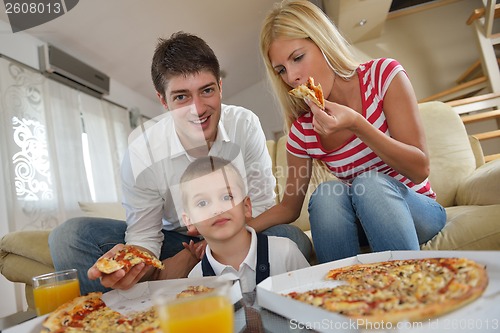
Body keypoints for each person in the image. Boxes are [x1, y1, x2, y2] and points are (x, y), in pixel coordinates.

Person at [48, 31, 312, 295]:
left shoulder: (245, 124)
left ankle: (185, 285)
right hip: (175, 242)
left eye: (206, 91)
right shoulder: (142, 150)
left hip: (239, 231)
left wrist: (209, 245)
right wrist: (132, 261)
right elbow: (145, 237)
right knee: (68, 238)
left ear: (220, 87)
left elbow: (261, 206)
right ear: (163, 100)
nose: (197, 109)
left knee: (291, 239)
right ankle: (138, 311)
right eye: (181, 97)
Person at [252, 0, 446, 263]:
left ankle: (409, 292)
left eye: (298, 58)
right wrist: (235, 230)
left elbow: (419, 168)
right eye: (281, 70)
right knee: (325, 196)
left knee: (369, 183)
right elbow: (289, 207)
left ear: (323, 43)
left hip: (418, 211)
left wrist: (357, 124)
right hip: (361, 223)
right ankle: (340, 294)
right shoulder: (303, 130)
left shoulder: (383, 76)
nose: (292, 77)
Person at [180, 156, 309, 293]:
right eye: (202, 203)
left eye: (226, 197)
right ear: (189, 221)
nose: (217, 209)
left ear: (246, 207)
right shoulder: (196, 279)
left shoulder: (285, 252)